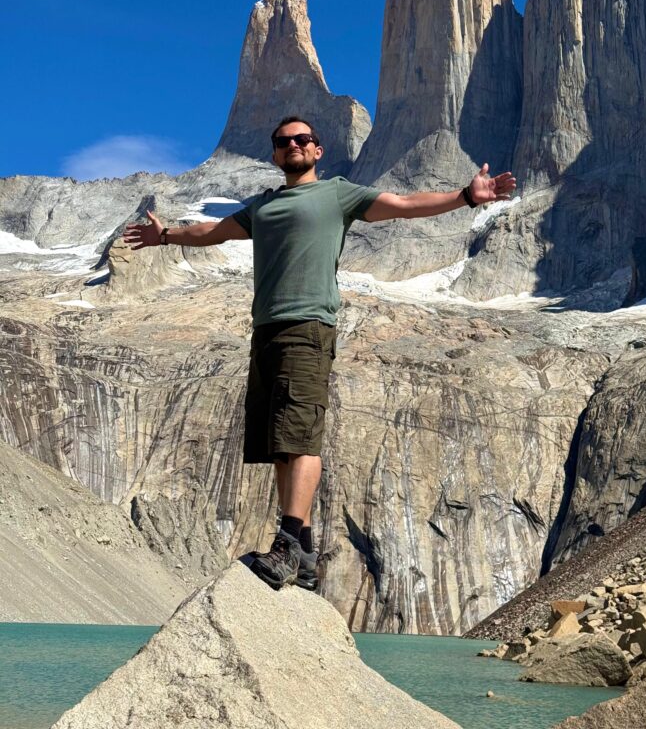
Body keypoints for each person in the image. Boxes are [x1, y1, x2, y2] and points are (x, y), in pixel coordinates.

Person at [123, 116, 516, 591]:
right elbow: (213, 232)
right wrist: (165, 237)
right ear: (274, 153)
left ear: (317, 150)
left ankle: (287, 544)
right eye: (283, 141)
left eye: (302, 139)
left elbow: (402, 204)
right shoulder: (263, 207)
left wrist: (466, 196)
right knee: (278, 445)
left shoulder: (337, 194)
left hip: (309, 328)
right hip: (266, 331)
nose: (293, 145)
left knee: (300, 436)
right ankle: (303, 554)